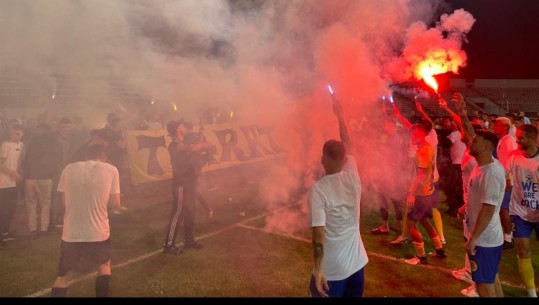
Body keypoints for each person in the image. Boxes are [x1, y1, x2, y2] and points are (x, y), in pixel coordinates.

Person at [308, 99, 368, 298]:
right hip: (357, 264)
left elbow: (318, 235)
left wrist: (318, 271)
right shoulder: (353, 176)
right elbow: (348, 144)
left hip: (332, 271)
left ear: (322, 159)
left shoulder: (318, 190)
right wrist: (340, 116)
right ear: (344, 159)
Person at [50, 145, 120, 297]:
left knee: (63, 275)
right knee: (104, 266)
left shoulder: (68, 168)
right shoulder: (111, 169)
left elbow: (64, 201)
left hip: (71, 232)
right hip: (98, 231)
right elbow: (115, 203)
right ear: (104, 156)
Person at [464, 130, 505, 297]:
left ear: (486, 147)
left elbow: (488, 210)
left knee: (483, 286)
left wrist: (473, 239)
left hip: (484, 240)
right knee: (492, 278)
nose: (470, 142)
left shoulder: (491, 173)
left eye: (475, 140)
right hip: (484, 237)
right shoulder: (482, 166)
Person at [163, 119, 212, 255]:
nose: (185, 128)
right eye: (182, 126)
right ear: (178, 129)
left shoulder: (182, 144)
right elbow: (191, 148)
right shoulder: (174, 145)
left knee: (190, 213)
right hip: (180, 185)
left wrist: (201, 136)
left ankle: (189, 241)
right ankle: (168, 245)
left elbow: (194, 151)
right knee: (177, 214)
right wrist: (203, 143)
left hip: (189, 184)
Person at [403, 122, 446, 265]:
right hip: (428, 192)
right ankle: (439, 249)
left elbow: (420, 176)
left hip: (422, 194)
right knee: (424, 221)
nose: (411, 137)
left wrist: (411, 193)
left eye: (414, 135)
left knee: (411, 223)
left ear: (421, 134)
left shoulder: (423, 151)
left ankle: (420, 257)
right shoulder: (426, 147)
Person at [507, 124, 539, 297]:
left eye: (521, 137)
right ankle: (531, 293)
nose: (517, 140)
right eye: (517, 136)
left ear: (533, 139)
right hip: (519, 212)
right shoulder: (514, 156)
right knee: (523, 250)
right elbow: (504, 176)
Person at [492, 117, 518, 249]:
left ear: (506, 127)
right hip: (502, 177)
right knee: (501, 208)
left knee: (503, 209)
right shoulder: (503, 139)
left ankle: (508, 237)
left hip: (506, 178)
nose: (494, 127)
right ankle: (506, 235)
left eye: (497, 125)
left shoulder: (509, 140)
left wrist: (509, 179)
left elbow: (511, 161)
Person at [0, 124, 24, 247]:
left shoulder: (21, 145)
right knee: (3, 210)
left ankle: (5, 232)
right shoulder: (5, 145)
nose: (17, 136)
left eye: (19, 133)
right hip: (3, 183)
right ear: (10, 134)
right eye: (15, 133)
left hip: (14, 183)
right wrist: (13, 173)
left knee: (11, 209)